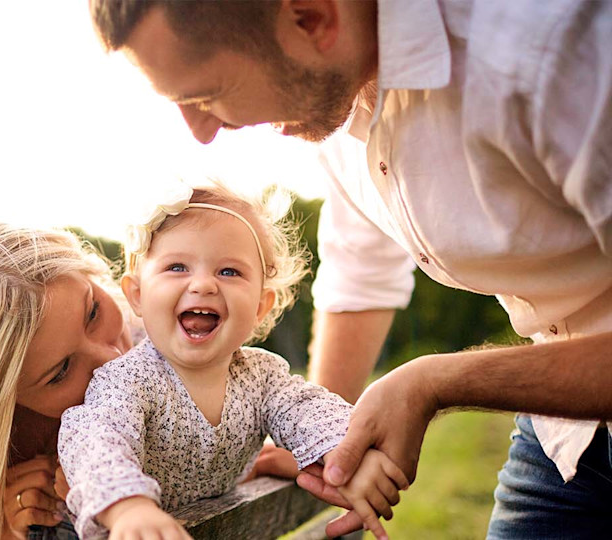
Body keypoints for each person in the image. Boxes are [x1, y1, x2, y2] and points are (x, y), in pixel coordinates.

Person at [87, 0, 612, 537]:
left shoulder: (559, 55)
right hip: (565, 436)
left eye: (206, 94)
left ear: (313, 19)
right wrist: (326, 448)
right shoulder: (335, 104)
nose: (201, 132)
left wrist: (437, 380)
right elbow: (359, 274)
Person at [0, 216, 299, 540]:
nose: (110, 353)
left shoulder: (162, 342)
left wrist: (236, 457)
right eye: (59, 372)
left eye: (93, 310)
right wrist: (4, 527)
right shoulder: (0, 467)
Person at [58, 181, 408, 540]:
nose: (204, 285)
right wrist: (128, 506)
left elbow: (310, 410)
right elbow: (95, 441)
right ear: (137, 295)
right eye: (178, 267)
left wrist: (346, 453)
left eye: (229, 272)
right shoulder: (126, 381)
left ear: (259, 306)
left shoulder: (262, 377)